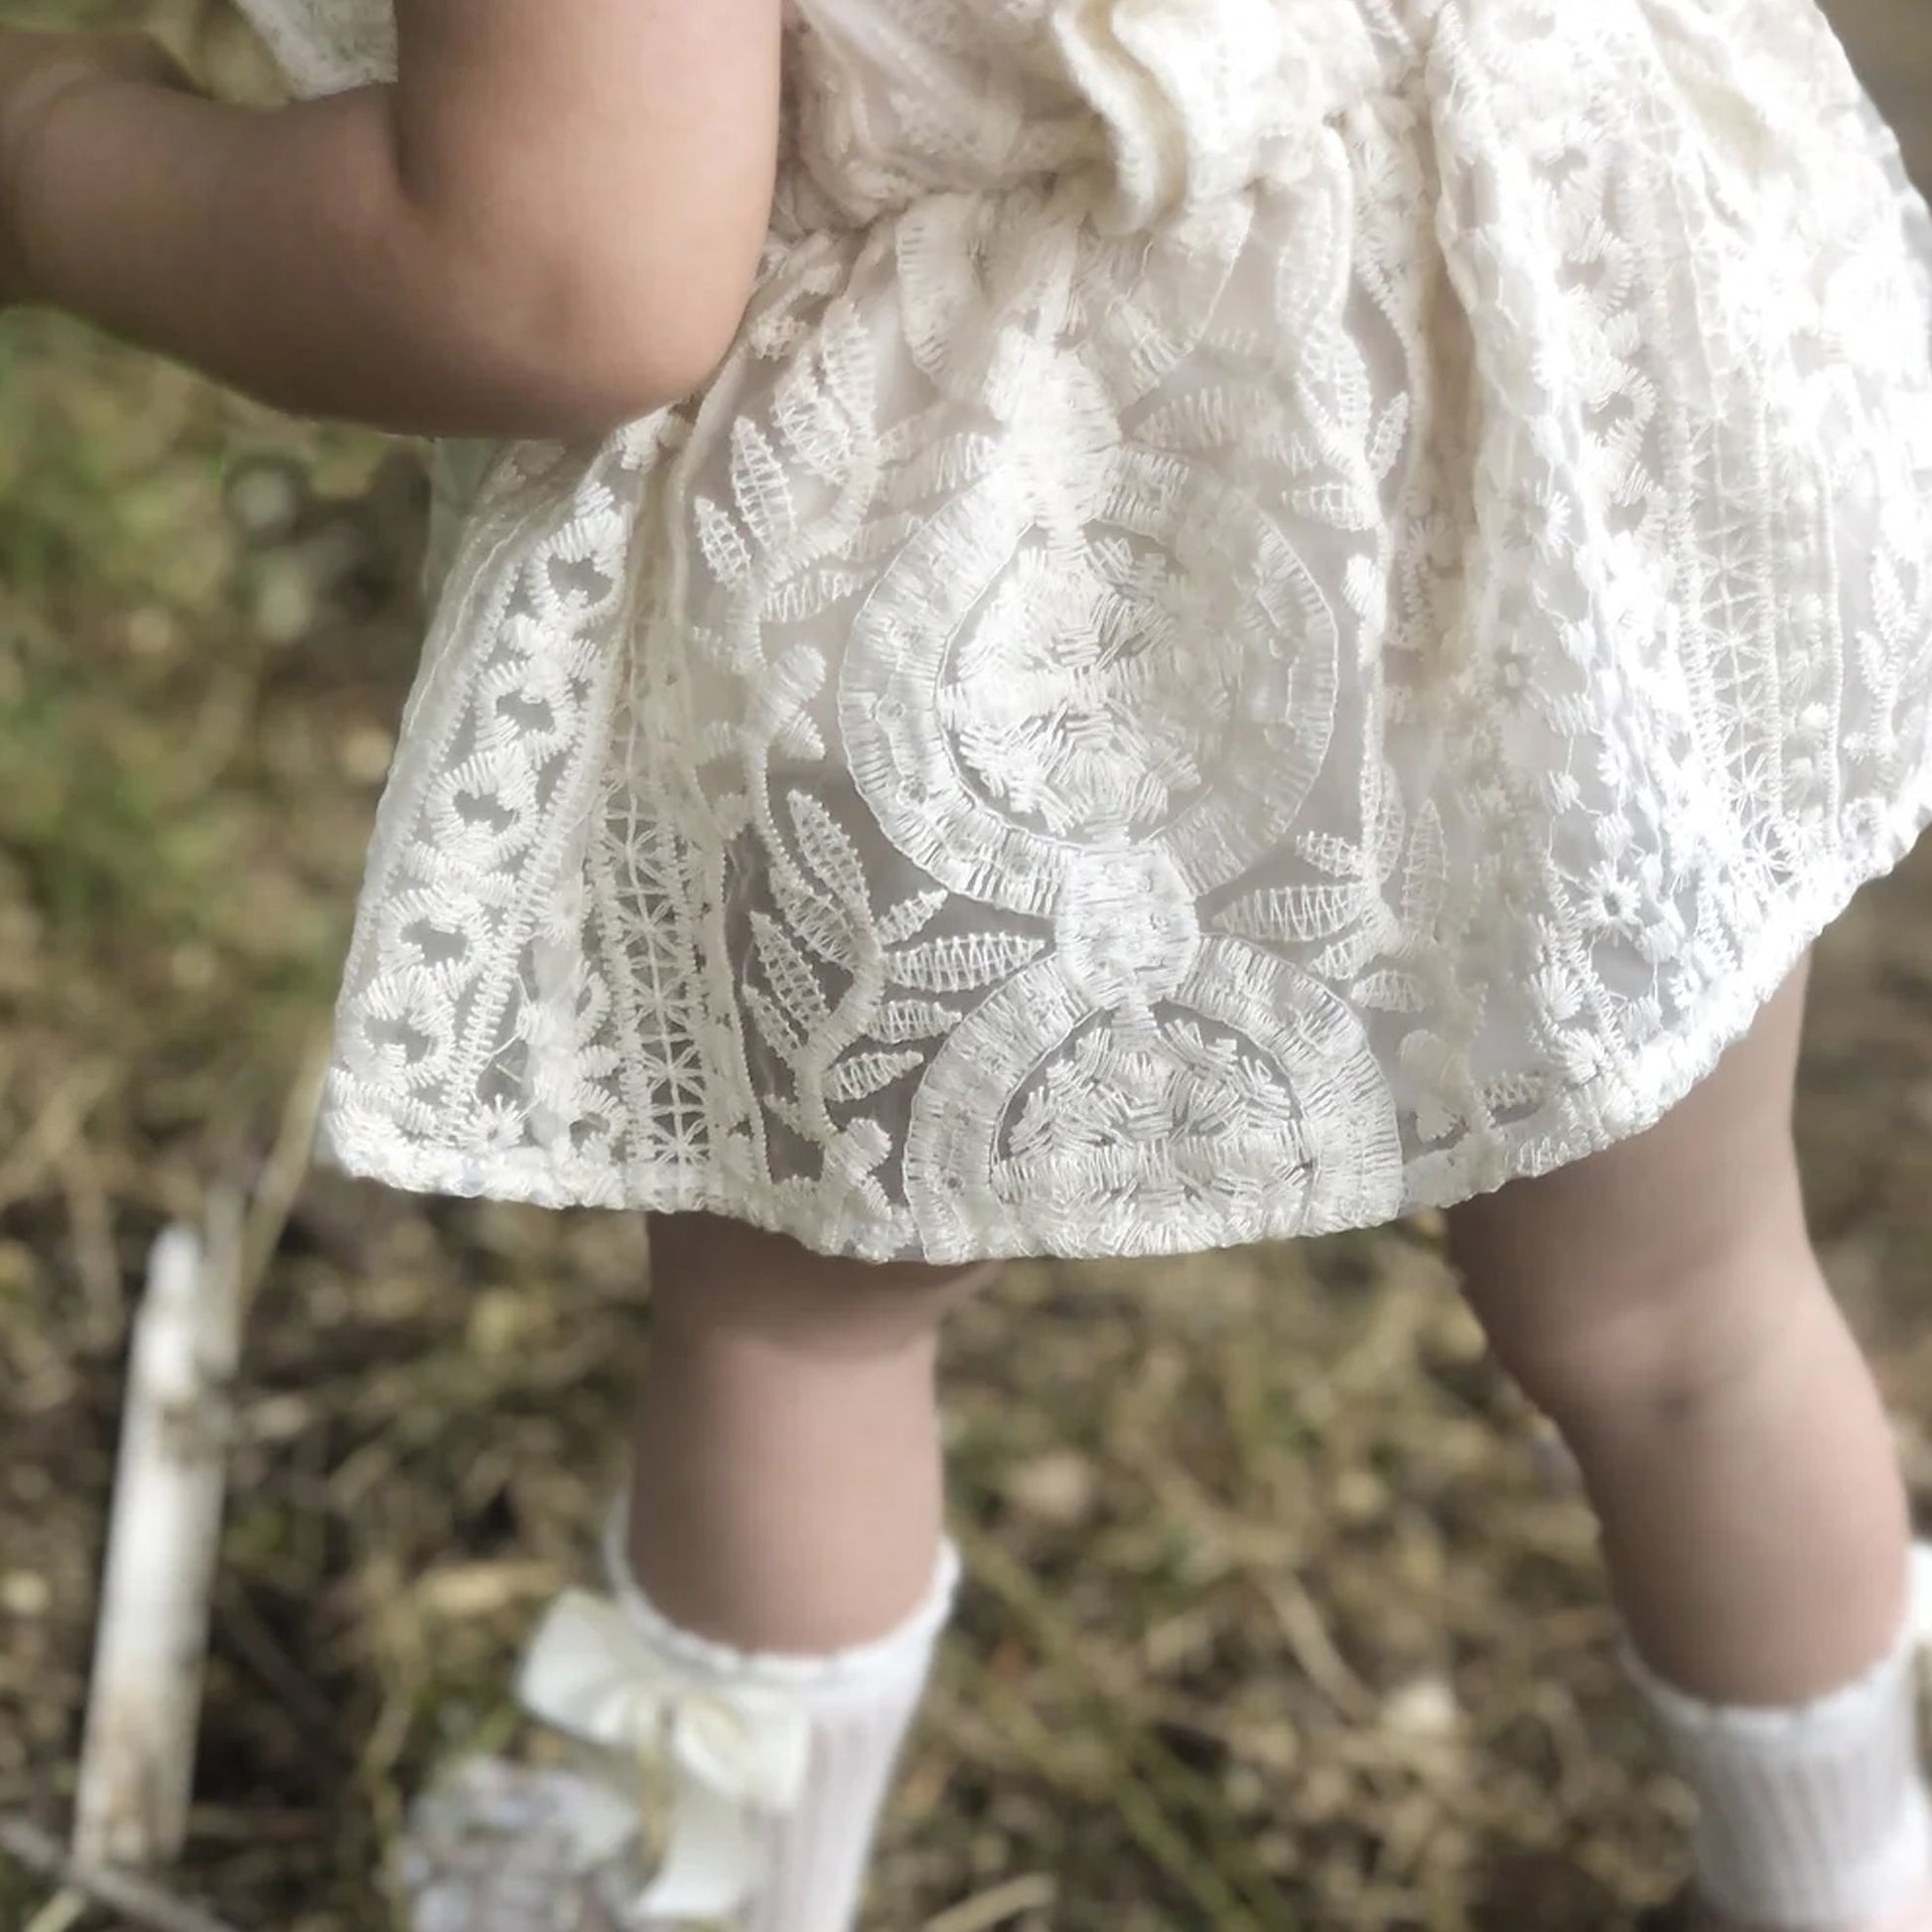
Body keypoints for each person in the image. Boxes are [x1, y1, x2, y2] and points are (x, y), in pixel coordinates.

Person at [8, 1, 1932, 1926]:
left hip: (989, 502)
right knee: (1685, 1313)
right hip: (1579, 349)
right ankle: (1849, 1881)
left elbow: (558, 267)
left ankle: (715, 1890)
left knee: (800, 1330)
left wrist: (53, 149)